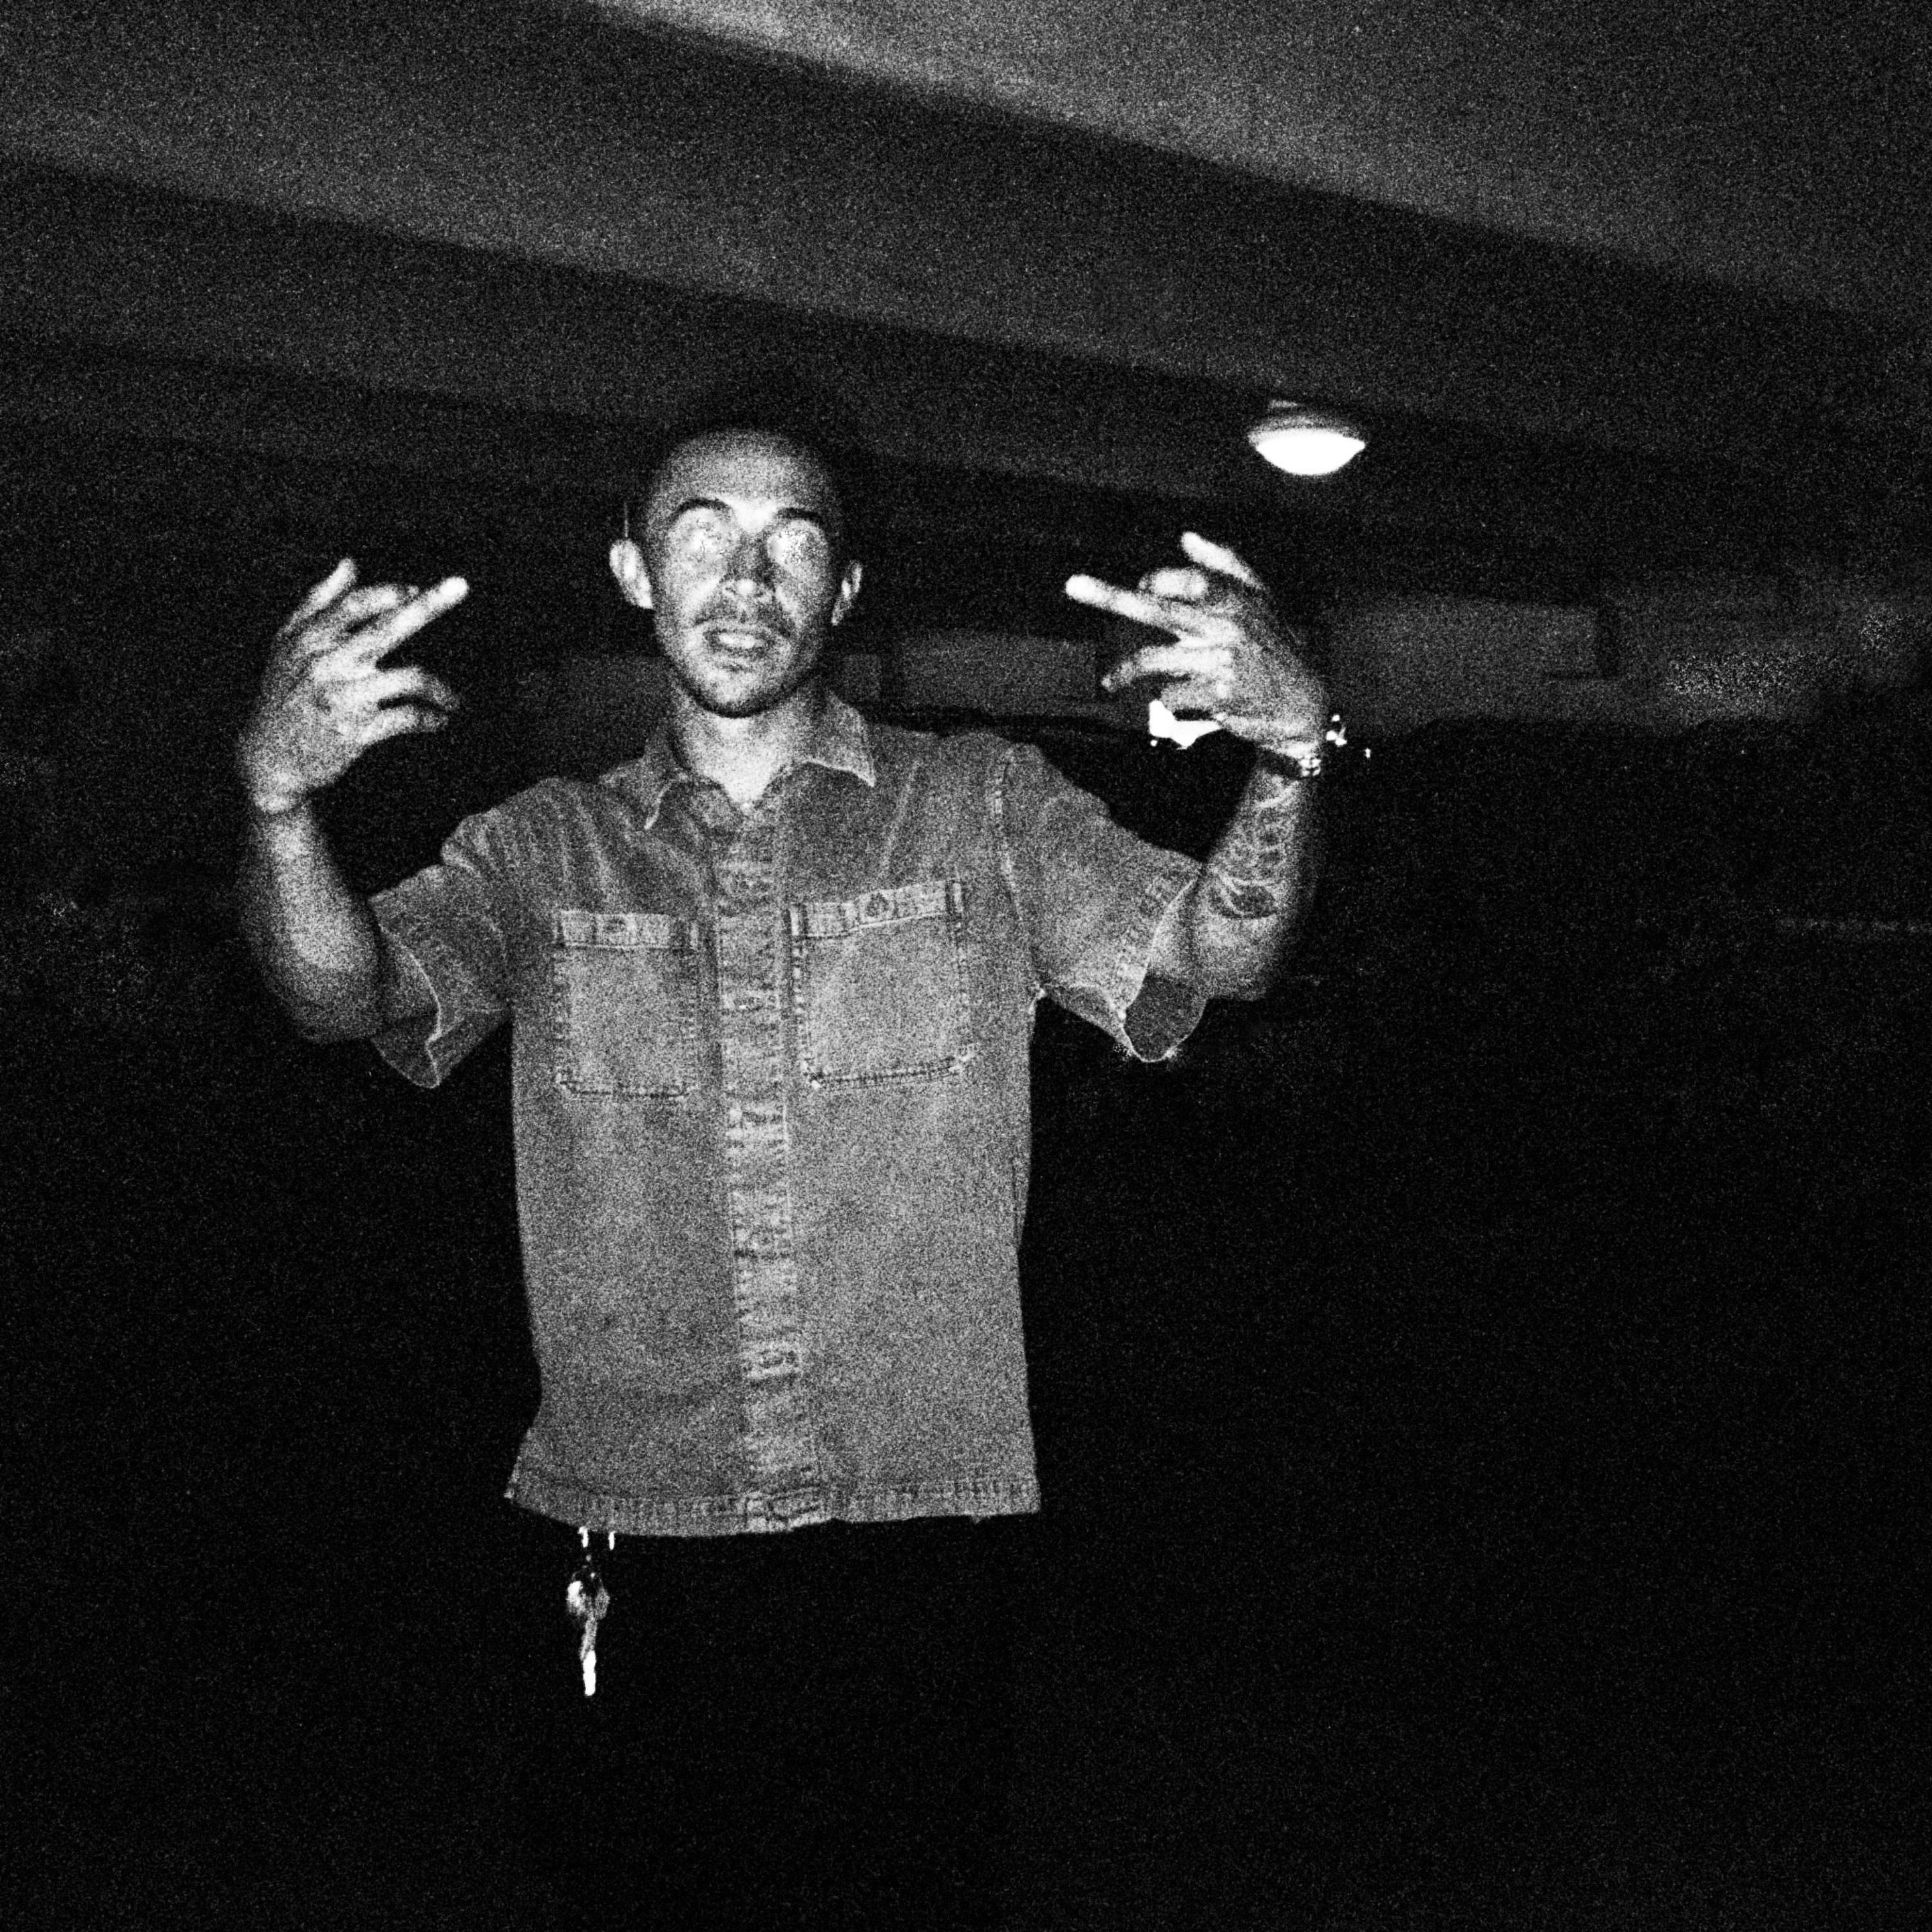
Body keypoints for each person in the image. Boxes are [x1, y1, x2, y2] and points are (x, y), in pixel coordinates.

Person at [234, 404, 1332, 1925]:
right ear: (634, 573)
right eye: (702, 535)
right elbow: (338, 996)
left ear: (846, 591)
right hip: (635, 1516)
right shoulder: (538, 851)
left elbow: (1221, 955)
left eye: (792, 544)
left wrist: (1288, 754)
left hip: (911, 1527)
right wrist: (279, 802)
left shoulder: (986, 806)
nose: (746, 580)